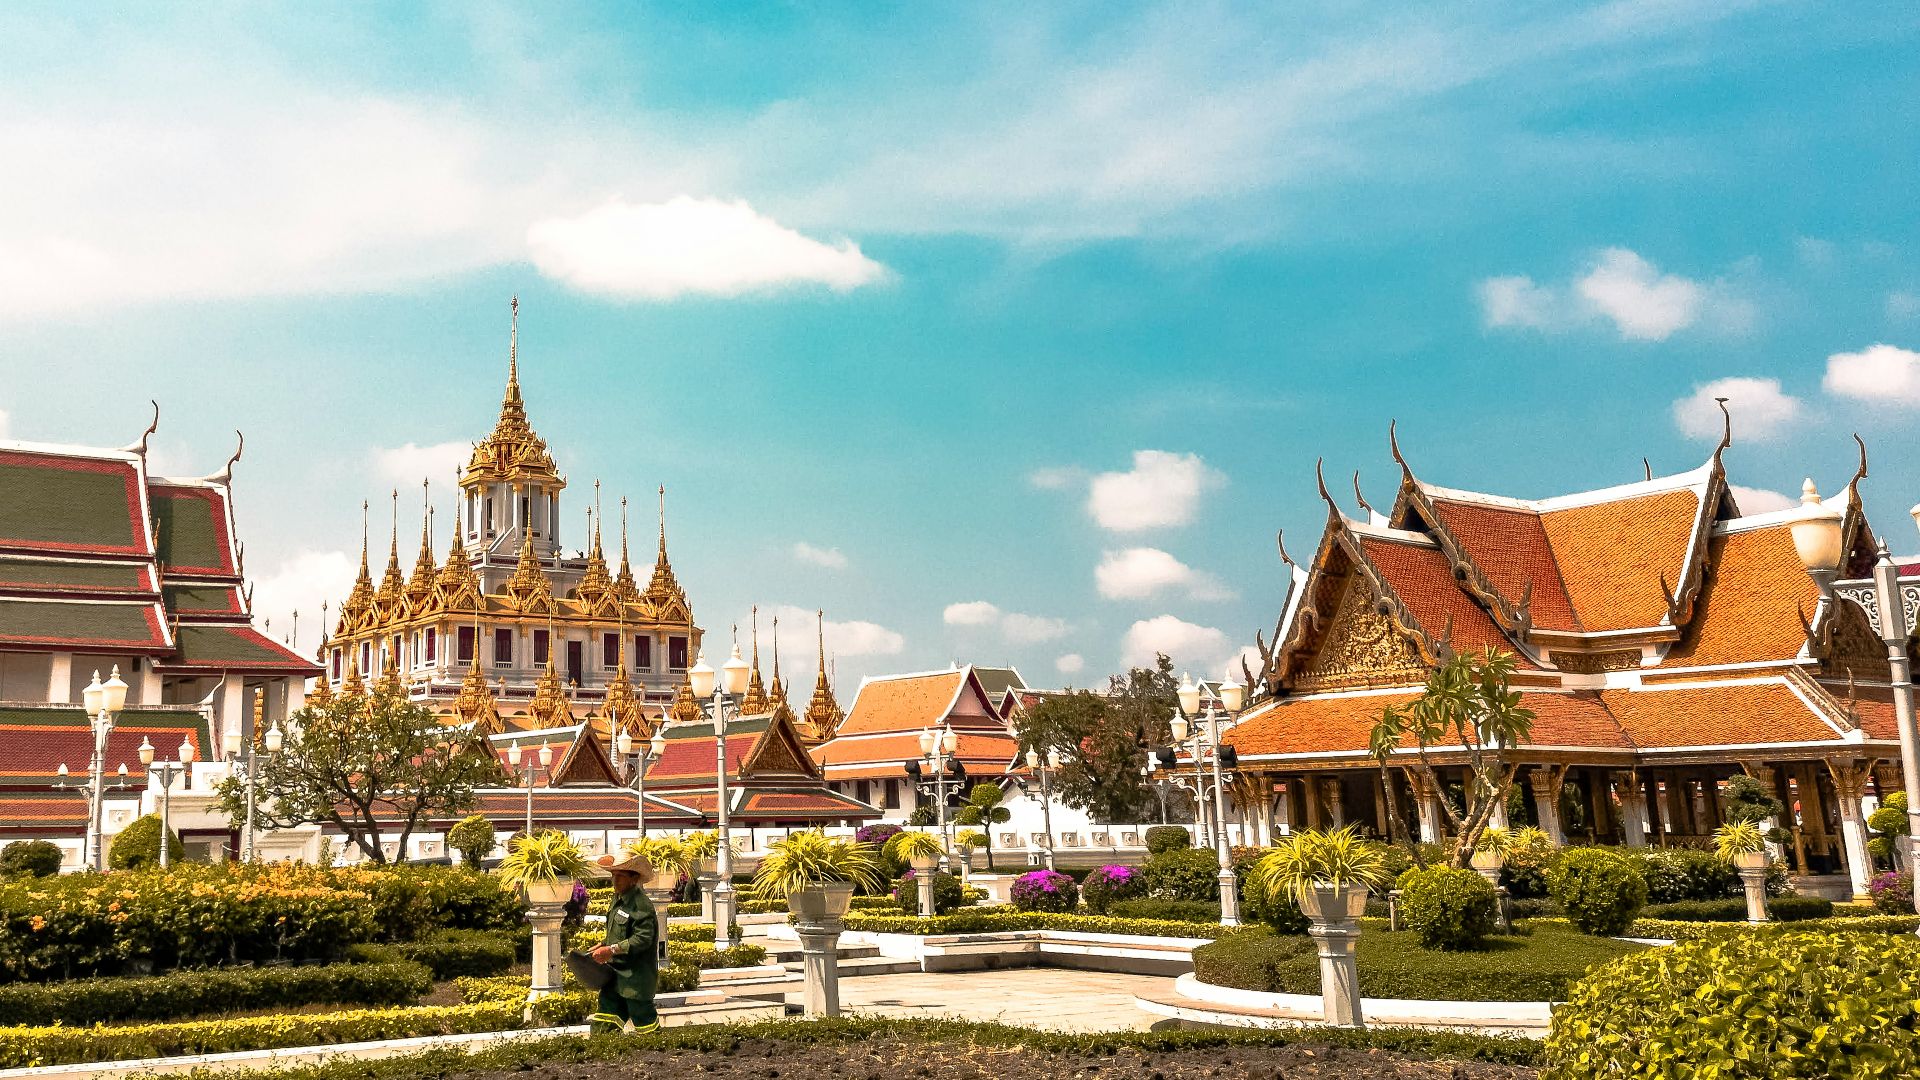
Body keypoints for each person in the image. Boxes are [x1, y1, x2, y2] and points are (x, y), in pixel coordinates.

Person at [587, 852, 660, 1034]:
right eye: (613, 875)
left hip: (635, 979)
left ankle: (658, 1053)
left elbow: (642, 939)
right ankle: (600, 1052)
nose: (615, 880)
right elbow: (617, 934)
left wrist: (611, 950)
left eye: (620, 876)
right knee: (604, 1019)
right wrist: (602, 944)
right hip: (615, 975)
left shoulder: (641, 904)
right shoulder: (617, 900)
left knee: (645, 1024)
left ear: (634, 879)